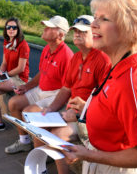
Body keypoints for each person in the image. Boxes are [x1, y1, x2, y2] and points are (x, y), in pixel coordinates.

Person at [62, 0, 137, 174]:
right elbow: (115, 112)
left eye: (104, 19)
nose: (93, 25)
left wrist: (88, 155)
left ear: (128, 27)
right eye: (95, 17)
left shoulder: (132, 81)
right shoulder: (119, 64)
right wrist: (87, 109)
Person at [26, 15, 110, 174]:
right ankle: (40, 166)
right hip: (71, 112)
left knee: (57, 135)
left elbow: (105, 100)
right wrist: (51, 109)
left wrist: (80, 115)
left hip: (88, 119)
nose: (77, 34)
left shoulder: (102, 60)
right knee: (39, 124)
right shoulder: (77, 57)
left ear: (94, 34)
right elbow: (66, 89)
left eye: (83, 32)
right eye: (75, 31)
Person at [5, 15, 74, 154]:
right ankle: (24, 142)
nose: (45, 29)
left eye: (49, 27)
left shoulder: (67, 55)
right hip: (41, 89)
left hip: (55, 93)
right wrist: (27, 86)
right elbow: (42, 73)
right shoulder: (46, 49)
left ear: (60, 34)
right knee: (13, 103)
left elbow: (69, 87)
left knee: (28, 113)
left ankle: (41, 153)